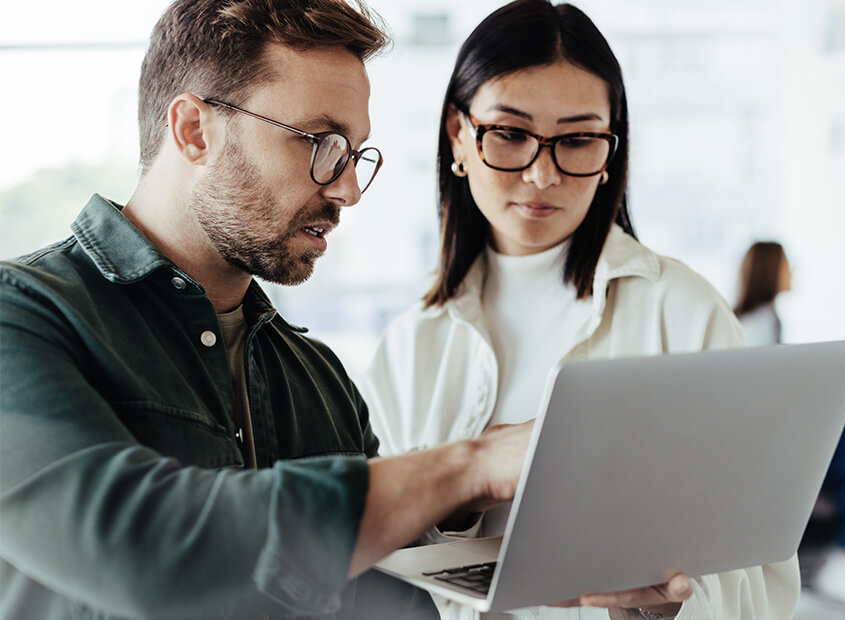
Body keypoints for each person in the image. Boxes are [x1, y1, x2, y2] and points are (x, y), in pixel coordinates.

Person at [0, 1, 540, 617]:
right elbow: (143, 546)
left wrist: (586, 567)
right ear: (193, 131)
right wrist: (467, 467)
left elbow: (395, 603)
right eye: (322, 143)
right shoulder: (22, 315)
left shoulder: (322, 379)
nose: (348, 189)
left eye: (355, 153)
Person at [359, 2, 801, 619]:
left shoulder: (684, 312)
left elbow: (763, 581)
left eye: (577, 140)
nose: (542, 175)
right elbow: (371, 571)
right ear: (459, 134)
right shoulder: (410, 347)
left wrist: (663, 609)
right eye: (510, 133)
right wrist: (453, 494)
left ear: (610, 150)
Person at [733, 241, 845, 617]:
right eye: (787, 266)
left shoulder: (763, 318)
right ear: (770, 272)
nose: (793, 272)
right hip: (774, 443)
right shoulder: (758, 325)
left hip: (781, 433)